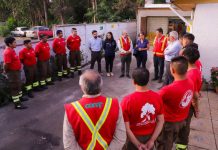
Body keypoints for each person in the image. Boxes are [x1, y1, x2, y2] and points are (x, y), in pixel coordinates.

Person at [63, 70, 126, 150]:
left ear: (82, 87)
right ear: (101, 86)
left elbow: (69, 145)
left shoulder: (71, 109)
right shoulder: (114, 105)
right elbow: (121, 138)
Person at [156, 56, 194, 150]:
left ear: (172, 70)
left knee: (164, 144)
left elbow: (154, 101)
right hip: (182, 120)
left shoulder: (168, 90)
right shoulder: (190, 82)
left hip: (169, 124)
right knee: (174, 140)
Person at [121, 68, 164, 150]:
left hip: (133, 138)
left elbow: (126, 128)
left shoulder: (127, 101)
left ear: (133, 82)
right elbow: (161, 121)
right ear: (148, 80)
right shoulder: (157, 97)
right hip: (151, 134)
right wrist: (152, 140)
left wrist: (138, 145)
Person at [176, 45, 201, 150]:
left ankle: (181, 146)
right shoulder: (196, 70)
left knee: (184, 127)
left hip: (187, 105)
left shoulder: (189, 75)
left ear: (185, 58)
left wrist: (196, 108)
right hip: (187, 103)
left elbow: (195, 94)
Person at [3, 37, 28, 109]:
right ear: (10, 44)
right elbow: (6, 64)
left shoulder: (12, 50)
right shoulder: (8, 52)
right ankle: (17, 104)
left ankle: (20, 98)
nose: (16, 43)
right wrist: (6, 71)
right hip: (12, 73)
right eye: (14, 42)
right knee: (15, 88)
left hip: (16, 72)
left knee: (18, 85)